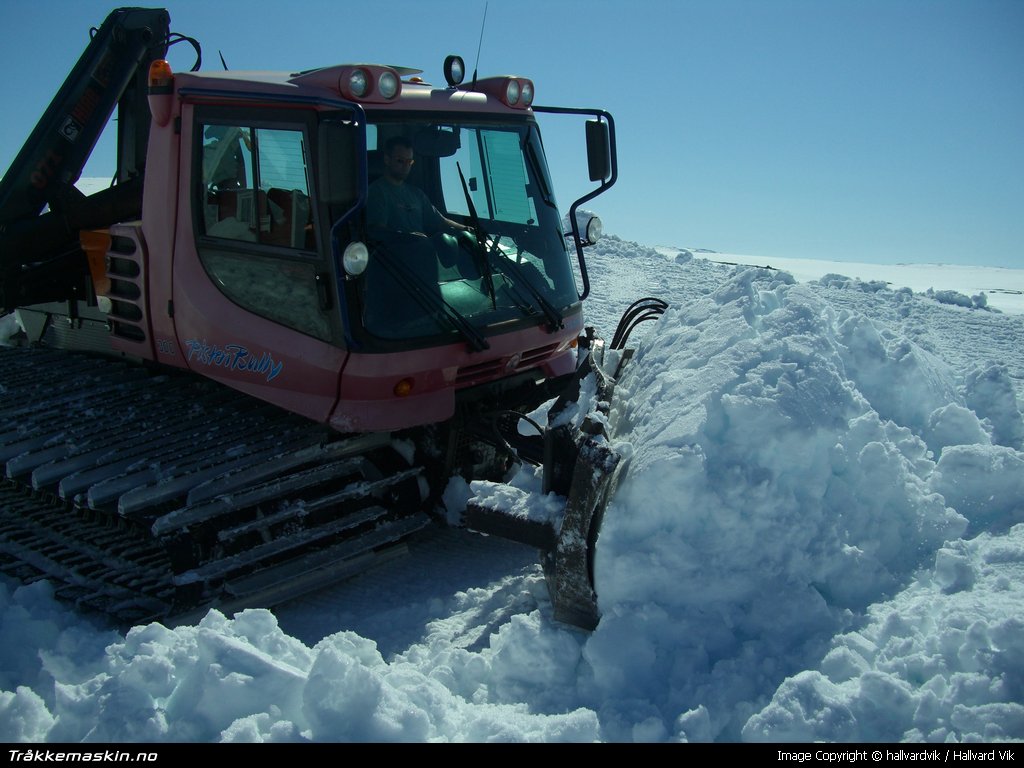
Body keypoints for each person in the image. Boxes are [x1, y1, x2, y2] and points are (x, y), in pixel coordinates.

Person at [366, 136, 471, 239]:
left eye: (409, 162)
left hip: (422, 251)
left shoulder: (416, 194)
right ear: (387, 160)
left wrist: (466, 228)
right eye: (400, 161)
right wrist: (409, 237)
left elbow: (440, 222)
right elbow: (378, 232)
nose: (406, 166)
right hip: (393, 255)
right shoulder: (376, 192)